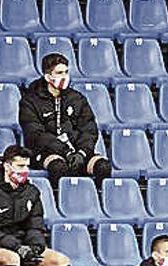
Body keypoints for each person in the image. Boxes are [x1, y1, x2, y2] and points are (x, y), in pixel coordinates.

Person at [0, 145, 70, 266]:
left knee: (60, 260)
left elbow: (35, 226)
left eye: (27, 166)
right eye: (20, 166)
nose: (25, 170)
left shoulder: (32, 192)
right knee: (12, 258)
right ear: (7, 166)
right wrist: (17, 247)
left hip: (23, 246)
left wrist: (35, 247)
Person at [18, 54, 111, 183]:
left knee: (103, 167)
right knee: (59, 167)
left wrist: (82, 153)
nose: (64, 76)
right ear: (48, 76)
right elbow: (36, 134)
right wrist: (65, 151)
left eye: (66, 72)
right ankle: (59, 200)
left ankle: (93, 199)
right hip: (47, 152)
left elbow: (89, 129)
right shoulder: (30, 101)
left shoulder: (77, 98)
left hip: (77, 152)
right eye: (59, 73)